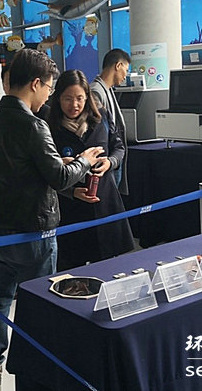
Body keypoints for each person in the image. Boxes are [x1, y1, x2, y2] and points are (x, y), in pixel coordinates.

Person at [0, 49, 105, 390]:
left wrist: (62, 163)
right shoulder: (34, 125)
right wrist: (84, 160)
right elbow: (58, 179)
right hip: (34, 232)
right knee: (39, 305)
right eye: (49, 87)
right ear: (35, 83)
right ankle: (37, 372)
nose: (49, 95)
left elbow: (15, 170)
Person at [48, 69, 135, 271]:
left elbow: (119, 147)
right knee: (72, 272)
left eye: (79, 98)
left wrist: (110, 162)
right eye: (68, 99)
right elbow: (46, 170)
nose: (74, 105)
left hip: (105, 202)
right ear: (58, 98)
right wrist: (70, 189)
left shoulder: (100, 117)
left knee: (108, 268)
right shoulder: (49, 127)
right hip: (70, 207)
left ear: (87, 97)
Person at [91, 48, 131, 195]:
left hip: (112, 159)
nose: (126, 75)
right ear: (118, 65)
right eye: (126, 69)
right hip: (104, 162)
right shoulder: (96, 91)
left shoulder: (107, 90)